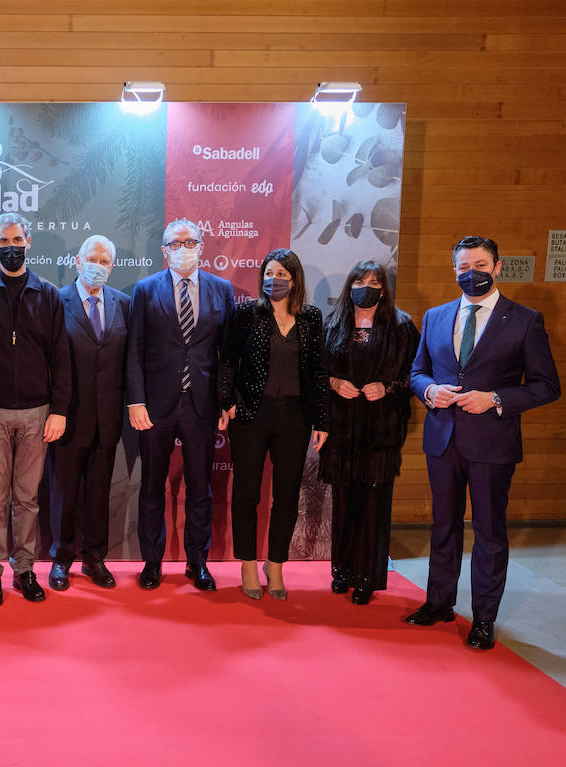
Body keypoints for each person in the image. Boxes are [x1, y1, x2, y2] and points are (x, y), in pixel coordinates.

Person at [407, 235, 560, 650]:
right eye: (462, 266)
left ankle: (484, 619)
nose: (470, 273)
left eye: (478, 265)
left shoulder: (525, 320)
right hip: (443, 439)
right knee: (443, 526)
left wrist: (495, 398)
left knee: (489, 532)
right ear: (453, 269)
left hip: (492, 443)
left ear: (496, 267)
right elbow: (416, 371)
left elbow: (547, 387)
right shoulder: (436, 316)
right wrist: (428, 390)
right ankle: (438, 603)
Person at [0, 212, 70, 606]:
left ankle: (24, 569)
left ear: (29, 242)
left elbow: (60, 356)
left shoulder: (48, 294)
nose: (11, 248)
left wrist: (59, 409)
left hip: (37, 411)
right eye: (3, 241)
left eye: (17, 240)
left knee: (27, 498)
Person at [125, 218, 236, 591]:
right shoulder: (145, 290)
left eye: (190, 242)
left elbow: (227, 355)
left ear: (201, 247)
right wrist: (136, 401)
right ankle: (152, 562)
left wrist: (225, 401)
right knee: (153, 487)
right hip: (155, 406)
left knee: (200, 488)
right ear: (164, 250)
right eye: (176, 243)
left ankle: (197, 561)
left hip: (201, 405)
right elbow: (134, 352)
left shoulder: (222, 290)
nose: (183, 248)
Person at [218, 248, 329, 600]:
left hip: (294, 417)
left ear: (294, 279)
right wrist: (228, 402)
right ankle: (248, 564)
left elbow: (318, 371)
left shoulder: (311, 317)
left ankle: (275, 565)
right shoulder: (246, 314)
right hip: (251, 414)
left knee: (285, 496)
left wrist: (322, 419)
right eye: (268, 272)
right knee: (246, 493)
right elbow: (226, 361)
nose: (273, 279)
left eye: (281, 273)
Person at [319, 260, 420, 605]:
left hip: (380, 432)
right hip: (341, 431)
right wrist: (333, 381)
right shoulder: (333, 323)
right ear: (350, 285)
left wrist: (388, 387)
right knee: (344, 504)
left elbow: (417, 376)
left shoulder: (402, 326)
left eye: (374, 282)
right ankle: (341, 572)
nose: (366, 287)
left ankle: (367, 577)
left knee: (373, 506)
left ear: (384, 289)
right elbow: (315, 371)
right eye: (360, 280)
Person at [47, 235, 131, 591]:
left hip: (108, 418)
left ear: (112, 267)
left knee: (99, 492)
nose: (98, 265)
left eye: (105, 261)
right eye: (92, 258)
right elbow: (48, 361)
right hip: (67, 416)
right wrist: (56, 409)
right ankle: (62, 559)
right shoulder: (56, 302)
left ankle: (95, 559)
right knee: (64, 494)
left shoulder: (123, 303)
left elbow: (130, 361)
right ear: (78, 262)